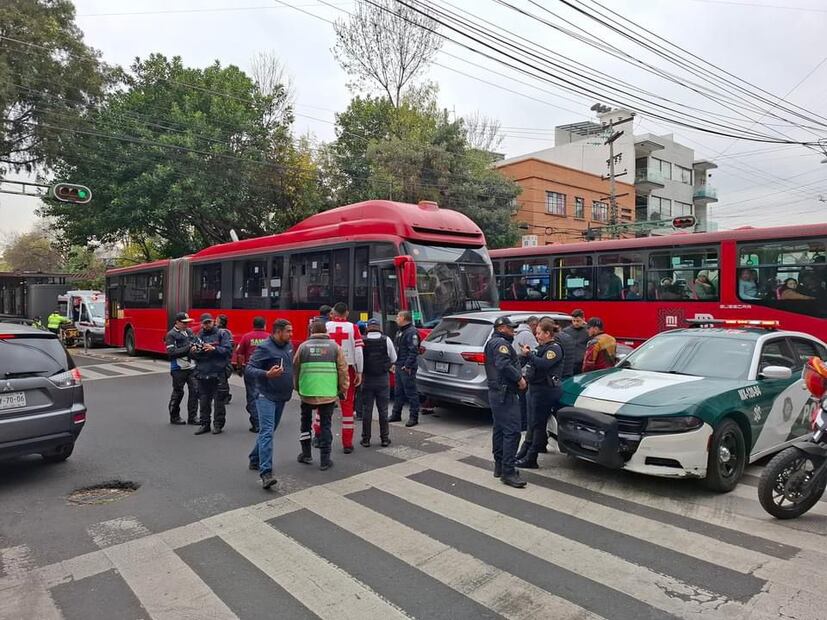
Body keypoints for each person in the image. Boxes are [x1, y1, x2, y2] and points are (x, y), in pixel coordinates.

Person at [294, 319, 349, 471]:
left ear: (311, 330)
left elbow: (296, 368)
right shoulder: (335, 347)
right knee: (326, 425)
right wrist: (343, 388)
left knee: (305, 424)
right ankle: (325, 460)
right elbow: (343, 370)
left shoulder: (303, 347)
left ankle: (306, 454)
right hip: (328, 393)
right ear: (325, 330)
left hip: (307, 392)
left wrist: (297, 387)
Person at [245, 319, 294, 490]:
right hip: (265, 396)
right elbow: (249, 369)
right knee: (267, 432)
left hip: (282, 396)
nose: (291, 334)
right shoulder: (264, 347)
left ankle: (254, 458)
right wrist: (267, 374)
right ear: (278, 332)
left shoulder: (289, 346)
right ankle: (266, 473)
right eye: (288, 331)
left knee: (269, 431)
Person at [484, 316, 527, 489]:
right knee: (512, 432)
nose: (513, 331)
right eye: (510, 328)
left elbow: (507, 362)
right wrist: (519, 379)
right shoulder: (501, 343)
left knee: (500, 429)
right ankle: (508, 472)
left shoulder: (494, 342)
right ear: (501, 328)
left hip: (497, 393)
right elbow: (503, 364)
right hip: (505, 393)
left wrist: (522, 357)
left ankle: (500, 466)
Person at [516, 318, 564, 469]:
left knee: (538, 424)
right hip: (534, 388)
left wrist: (530, 355)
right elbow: (530, 362)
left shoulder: (554, 349)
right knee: (531, 422)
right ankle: (525, 450)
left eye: (539, 333)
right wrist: (525, 355)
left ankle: (532, 458)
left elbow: (543, 364)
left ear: (547, 333)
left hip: (545, 390)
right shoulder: (541, 347)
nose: (536, 336)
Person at [324, 302, 363, 453]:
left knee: (324, 402)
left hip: (328, 368)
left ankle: (319, 434)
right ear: (347, 313)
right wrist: (359, 371)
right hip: (348, 369)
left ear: (333, 313)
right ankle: (347, 443)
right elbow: (358, 352)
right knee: (347, 406)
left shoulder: (326, 326)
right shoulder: (353, 328)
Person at [191, 314, 233, 435]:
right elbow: (193, 355)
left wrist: (214, 349)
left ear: (214, 322)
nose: (207, 325)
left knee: (219, 401)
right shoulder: (199, 335)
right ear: (201, 324)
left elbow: (228, 351)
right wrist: (194, 351)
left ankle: (218, 425)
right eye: (205, 323)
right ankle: (204, 424)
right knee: (204, 401)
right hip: (202, 373)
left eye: (209, 322)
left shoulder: (222, 334)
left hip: (218, 373)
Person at [360, 318, 397, 448]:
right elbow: (394, 358)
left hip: (367, 379)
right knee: (383, 410)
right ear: (379, 328)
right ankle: (385, 439)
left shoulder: (362, 340)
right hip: (382, 379)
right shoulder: (386, 340)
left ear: (368, 328)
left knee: (367, 410)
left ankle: (366, 439)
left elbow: (359, 359)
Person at [235, 316, 271, 433]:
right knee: (266, 396)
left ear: (253, 325)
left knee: (252, 396)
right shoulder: (269, 337)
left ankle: (256, 423)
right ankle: (266, 421)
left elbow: (240, 354)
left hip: (251, 370)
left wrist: (239, 368)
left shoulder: (247, 337)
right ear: (264, 325)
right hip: (266, 372)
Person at [165, 312, 199, 425]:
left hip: (191, 367)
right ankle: (174, 416)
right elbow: (171, 352)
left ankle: (193, 417)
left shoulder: (189, 332)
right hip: (178, 369)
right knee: (178, 392)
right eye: (184, 323)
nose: (186, 325)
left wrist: (196, 348)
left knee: (195, 391)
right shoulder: (171, 334)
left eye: (187, 323)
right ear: (177, 322)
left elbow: (195, 343)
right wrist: (188, 348)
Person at [390, 310, 420, 428]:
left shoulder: (412, 332)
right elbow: (397, 349)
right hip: (399, 365)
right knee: (398, 392)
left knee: (411, 392)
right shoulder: (400, 331)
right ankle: (396, 414)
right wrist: (395, 363)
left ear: (404, 318)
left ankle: (413, 417)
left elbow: (413, 351)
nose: (396, 318)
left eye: (398, 316)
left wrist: (407, 365)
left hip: (407, 367)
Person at [513, 317, 538, 433]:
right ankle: (524, 425)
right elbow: (535, 352)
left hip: (518, 370)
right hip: (524, 372)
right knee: (524, 402)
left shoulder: (518, 333)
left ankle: (521, 424)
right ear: (534, 325)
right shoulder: (528, 335)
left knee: (520, 401)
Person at [563, 309, 589, 375]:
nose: (575, 323)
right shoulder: (566, 331)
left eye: (578, 321)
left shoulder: (588, 331)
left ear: (583, 319)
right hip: (569, 364)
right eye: (573, 321)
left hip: (582, 364)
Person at [217, 314, 234, 405]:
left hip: (222, 360)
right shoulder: (228, 332)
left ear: (220, 322)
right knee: (223, 379)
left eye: (216, 320)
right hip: (226, 359)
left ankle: (224, 397)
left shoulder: (221, 332)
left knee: (222, 379)